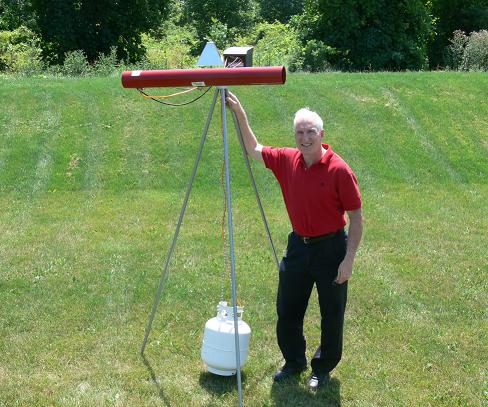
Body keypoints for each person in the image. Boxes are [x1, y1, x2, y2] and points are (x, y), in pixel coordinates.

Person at [226, 91, 363, 391]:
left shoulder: (340, 170)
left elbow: (357, 217)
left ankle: (323, 367)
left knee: (331, 314)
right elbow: (253, 148)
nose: (304, 137)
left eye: (310, 132)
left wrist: (348, 259)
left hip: (331, 248)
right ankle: (294, 362)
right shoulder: (288, 160)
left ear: (321, 134)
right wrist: (239, 111)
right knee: (287, 309)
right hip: (298, 246)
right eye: (299, 132)